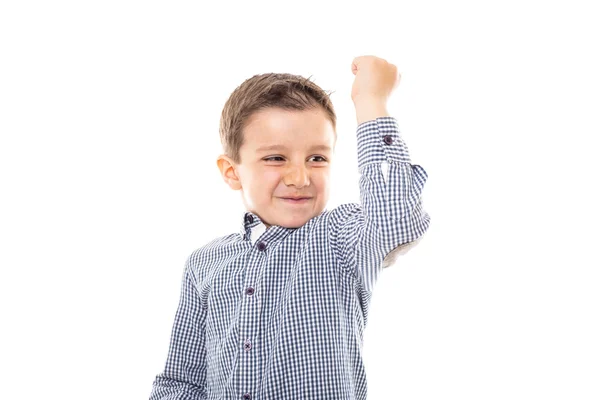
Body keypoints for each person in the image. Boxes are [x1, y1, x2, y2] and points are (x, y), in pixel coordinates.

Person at [149, 55, 431, 400]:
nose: (299, 178)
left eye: (317, 158)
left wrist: (371, 101)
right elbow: (181, 382)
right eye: (275, 158)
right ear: (231, 171)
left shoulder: (341, 238)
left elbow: (395, 218)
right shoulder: (204, 262)